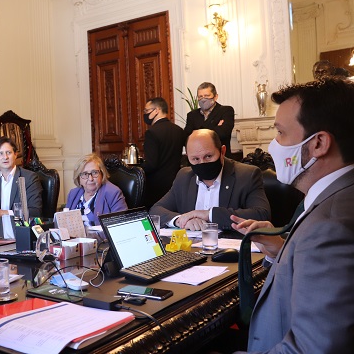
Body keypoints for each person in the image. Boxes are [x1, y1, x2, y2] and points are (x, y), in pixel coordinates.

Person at [231, 78, 354, 353]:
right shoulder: (338, 197)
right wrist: (283, 250)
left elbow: (311, 348)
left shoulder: (331, 227)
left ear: (319, 143)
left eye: (281, 133)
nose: (273, 145)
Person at [150, 129, 270, 231]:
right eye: (195, 159)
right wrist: (180, 220)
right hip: (191, 247)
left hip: (230, 247)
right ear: (188, 158)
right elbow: (156, 210)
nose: (202, 163)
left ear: (222, 152)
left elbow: (261, 214)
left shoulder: (247, 175)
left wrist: (209, 214)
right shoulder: (184, 177)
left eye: (208, 156)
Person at [141, 97, 184, 207]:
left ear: (156, 110)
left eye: (146, 110)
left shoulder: (151, 132)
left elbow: (151, 164)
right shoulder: (179, 130)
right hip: (176, 182)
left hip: (156, 186)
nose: (144, 114)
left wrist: (138, 169)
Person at [66, 153, 128, 226]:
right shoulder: (73, 194)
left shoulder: (113, 193)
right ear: (78, 178)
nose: (90, 178)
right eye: (85, 174)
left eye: (95, 173)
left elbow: (121, 225)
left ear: (102, 174)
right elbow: (66, 222)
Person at [184, 82, 235, 153]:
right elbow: (186, 138)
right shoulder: (192, 115)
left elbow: (223, 133)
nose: (203, 99)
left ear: (215, 96)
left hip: (220, 156)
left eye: (206, 96)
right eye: (200, 96)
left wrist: (196, 132)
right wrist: (215, 128)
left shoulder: (226, 111)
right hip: (198, 156)